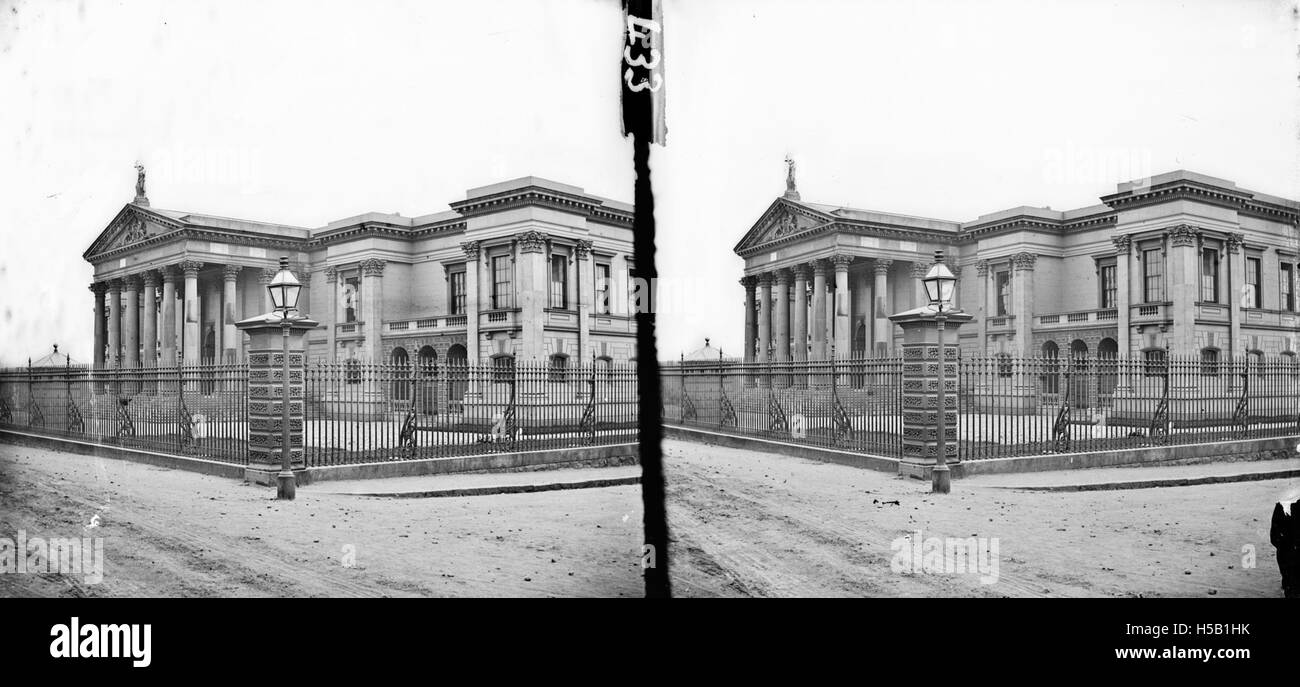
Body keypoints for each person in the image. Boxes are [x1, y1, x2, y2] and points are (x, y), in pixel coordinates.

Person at [1272, 491, 1300, 598]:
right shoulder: (1284, 504)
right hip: (1289, 554)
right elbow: (1275, 536)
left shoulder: (1283, 504)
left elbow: (1275, 537)